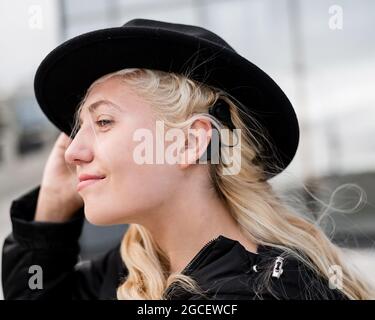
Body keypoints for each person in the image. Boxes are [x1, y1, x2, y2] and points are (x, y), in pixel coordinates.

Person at [2, 19, 373, 300]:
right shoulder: (133, 270)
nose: (72, 152)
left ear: (189, 143)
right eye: (78, 128)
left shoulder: (264, 290)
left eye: (103, 121)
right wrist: (51, 205)